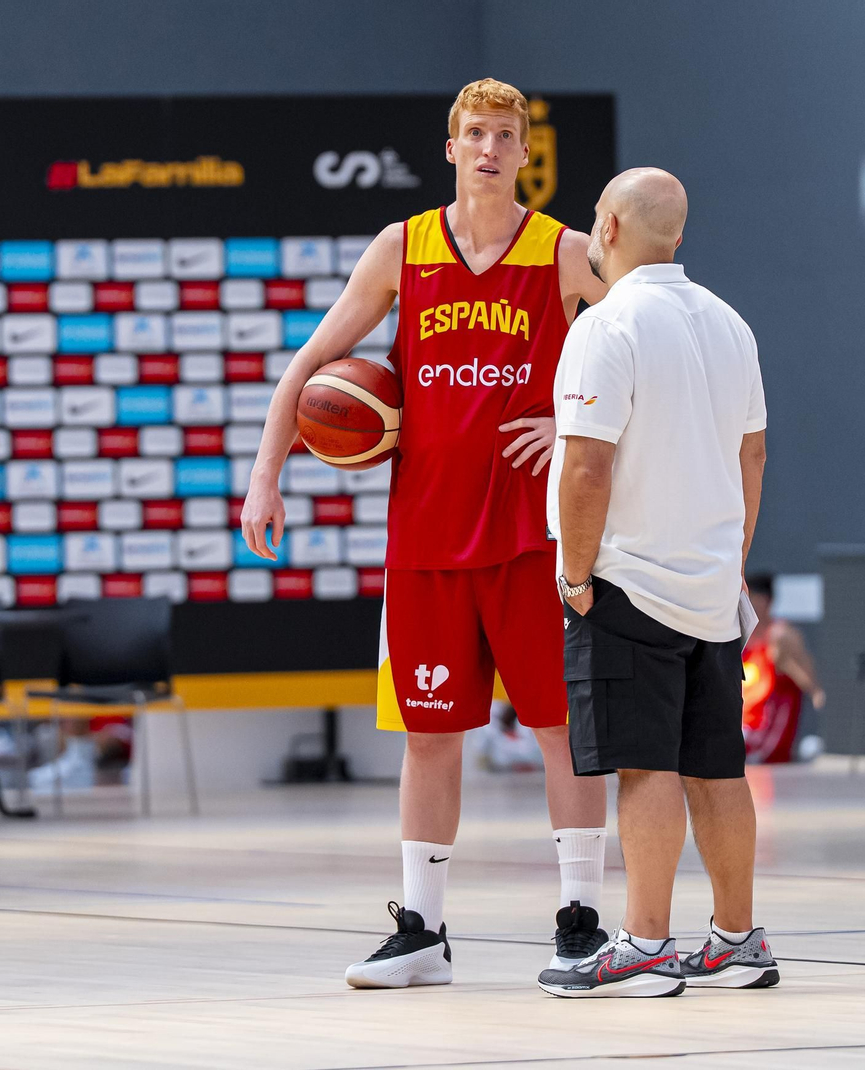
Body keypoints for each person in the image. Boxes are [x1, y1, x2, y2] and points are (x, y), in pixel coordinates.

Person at [239, 78, 612, 989]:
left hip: (535, 537)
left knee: (560, 730)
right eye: (474, 133)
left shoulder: (563, 252)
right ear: (450, 149)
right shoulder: (401, 248)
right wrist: (266, 473)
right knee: (430, 736)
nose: (489, 147)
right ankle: (423, 932)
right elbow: (310, 362)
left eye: (505, 134)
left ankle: (582, 918)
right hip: (427, 540)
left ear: (527, 152)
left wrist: (571, 426)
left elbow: (644, 355)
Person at [539, 168, 779, 997]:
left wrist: (574, 575)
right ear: (677, 234)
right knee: (716, 768)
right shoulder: (730, 325)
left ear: (607, 228)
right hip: (712, 588)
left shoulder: (606, 327)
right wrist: (733, 557)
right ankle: (737, 941)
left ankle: (643, 947)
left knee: (644, 767)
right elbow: (753, 455)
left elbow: (586, 468)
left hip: (627, 581)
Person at [742, 573, 825, 764]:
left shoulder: (782, 636)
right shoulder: (743, 636)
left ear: (764, 600)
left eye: (750, 597)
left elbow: (811, 684)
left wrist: (786, 664)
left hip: (768, 734)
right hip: (745, 727)